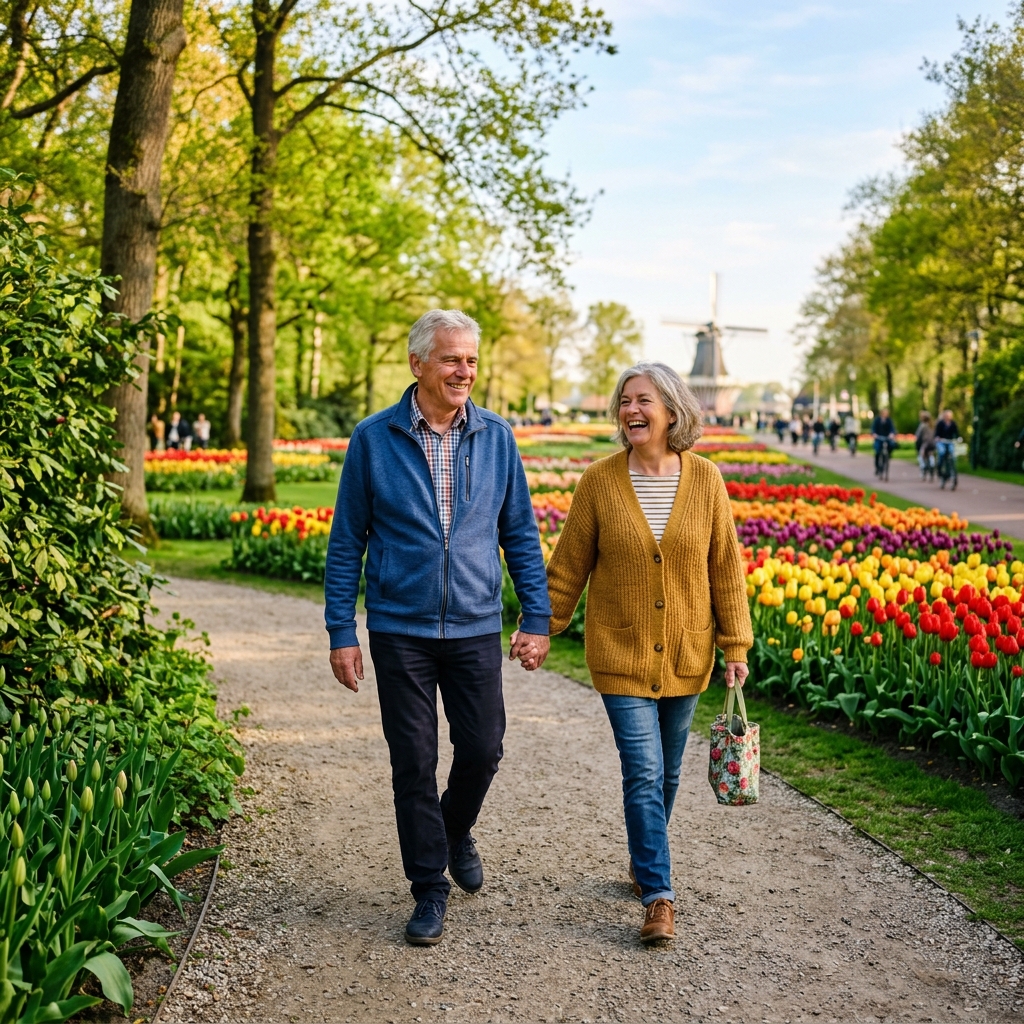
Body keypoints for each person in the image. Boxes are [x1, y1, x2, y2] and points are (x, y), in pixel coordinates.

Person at [324, 309, 552, 946]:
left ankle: (453, 829)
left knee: (483, 748)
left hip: (476, 623)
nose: (465, 371)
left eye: (472, 360)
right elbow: (348, 543)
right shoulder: (374, 439)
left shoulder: (498, 438)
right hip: (401, 627)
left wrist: (537, 615)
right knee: (414, 761)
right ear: (418, 363)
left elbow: (521, 536)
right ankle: (428, 886)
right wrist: (341, 628)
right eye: (452, 359)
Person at [537, 361, 753, 946]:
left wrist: (736, 643)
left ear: (673, 411)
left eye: (644, 401)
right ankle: (659, 896)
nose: (631, 410)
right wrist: (541, 626)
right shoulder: (600, 481)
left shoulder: (705, 480)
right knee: (644, 770)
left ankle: (642, 856)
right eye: (625, 401)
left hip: (687, 652)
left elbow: (725, 569)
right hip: (621, 652)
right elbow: (568, 567)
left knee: (669, 774)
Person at [935, 409, 959, 490]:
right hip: (942, 441)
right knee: (942, 452)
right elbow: (937, 433)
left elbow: (956, 433)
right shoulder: (940, 423)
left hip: (950, 441)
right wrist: (937, 438)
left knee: (952, 454)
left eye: (949, 416)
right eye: (946, 415)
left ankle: (952, 472)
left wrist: (958, 438)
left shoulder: (953, 424)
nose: (948, 417)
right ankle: (940, 465)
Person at [871, 408, 896, 477]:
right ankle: (877, 467)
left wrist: (891, 434)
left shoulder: (889, 421)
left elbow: (892, 429)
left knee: (892, 445)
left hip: (886, 438)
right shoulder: (877, 420)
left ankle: (889, 455)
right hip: (879, 438)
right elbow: (873, 428)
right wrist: (874, 434)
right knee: (877, 451)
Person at [915, 411, 936, 481]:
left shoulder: (922, 426)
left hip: (925, 444)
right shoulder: (933, 425)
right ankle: (932, 464)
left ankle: (923, 467)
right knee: (931, 454)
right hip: (932, 443)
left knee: (921, 455)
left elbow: (918, 435)